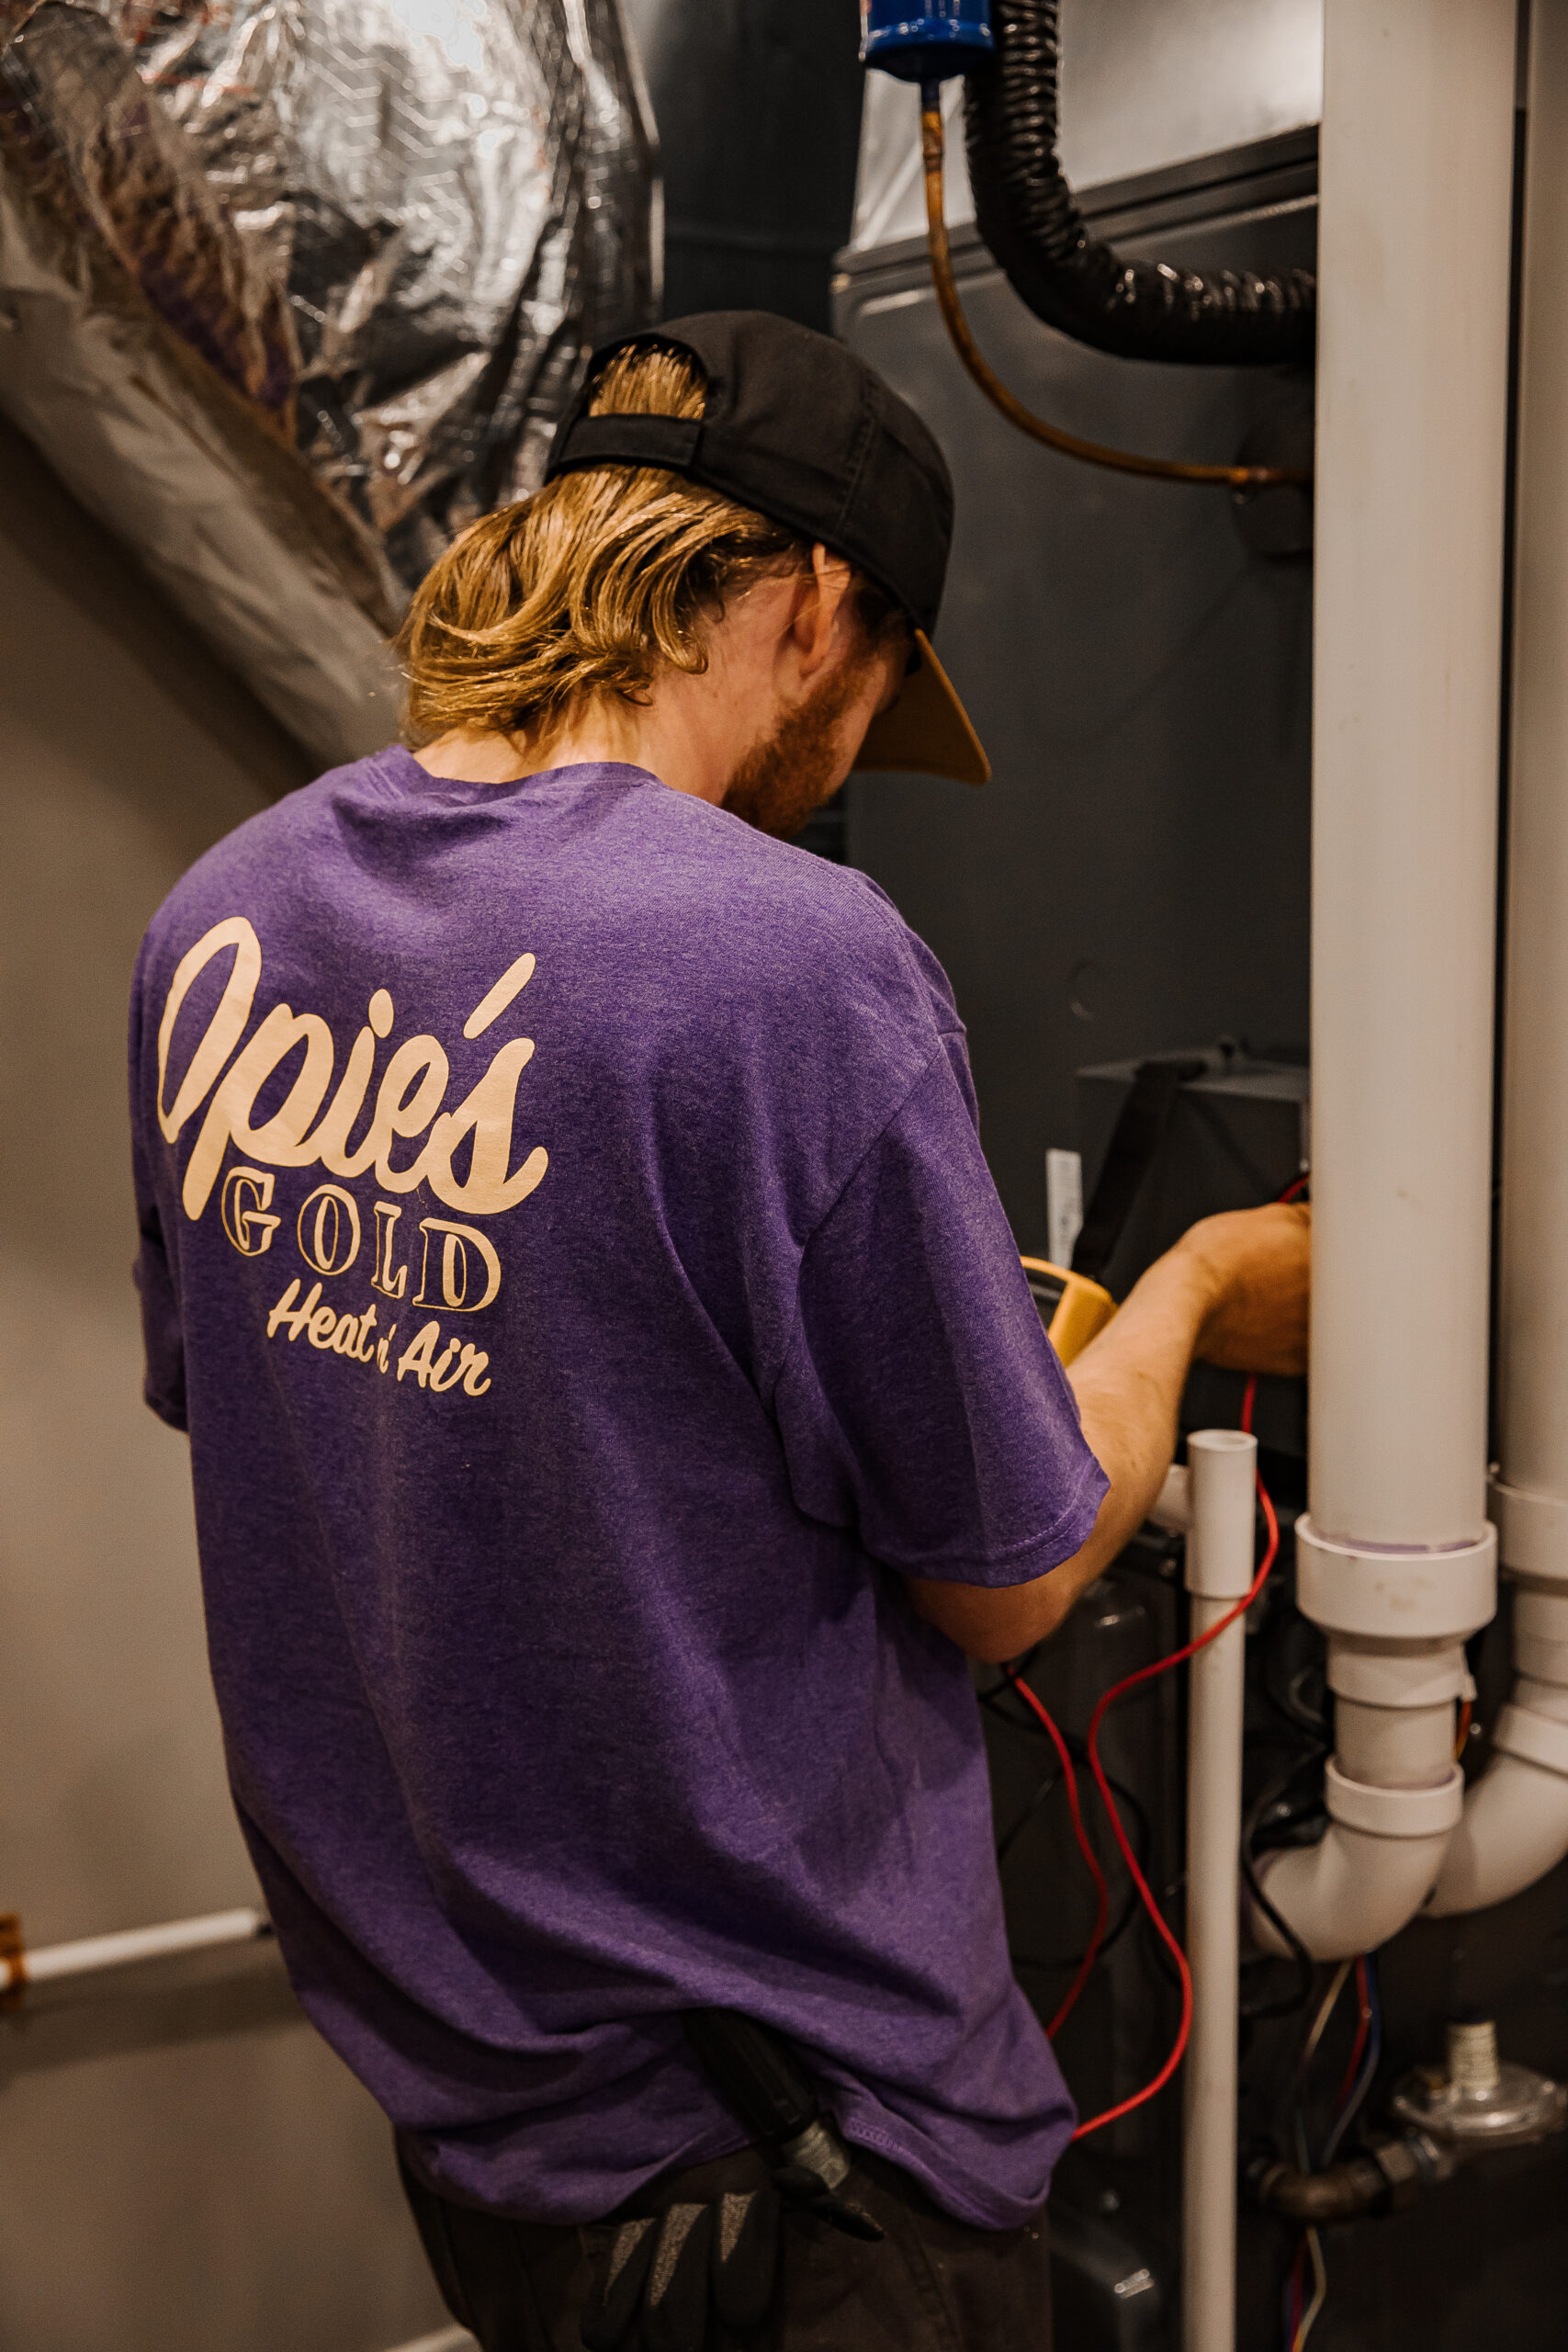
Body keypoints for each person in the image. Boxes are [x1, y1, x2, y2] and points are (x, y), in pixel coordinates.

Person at [129, 311, 1307, 2351]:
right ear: (817, 605)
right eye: (869, 702)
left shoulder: (227, 913)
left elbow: (372, 1414)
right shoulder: (787, 965)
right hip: (792, 2169)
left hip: (478, 2118)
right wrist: (1198, 1284)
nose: (840, 764)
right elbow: (1010, 1581)